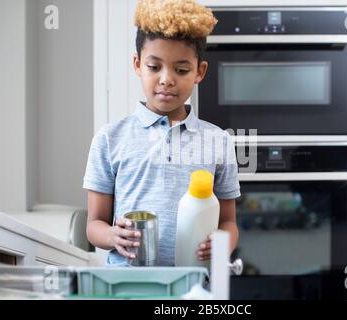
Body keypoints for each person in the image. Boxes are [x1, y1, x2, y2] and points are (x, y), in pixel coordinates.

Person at [83, 0, 241, 267]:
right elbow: (94, 225)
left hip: (193, 286)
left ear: (199, 71)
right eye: (154, 67)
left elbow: (229, 223)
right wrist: (113, 235)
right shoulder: (110, 138)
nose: (167, 79)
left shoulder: (218, 141)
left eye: (181, 70)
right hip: (130, 285)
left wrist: (222, 241)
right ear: (137, 64)